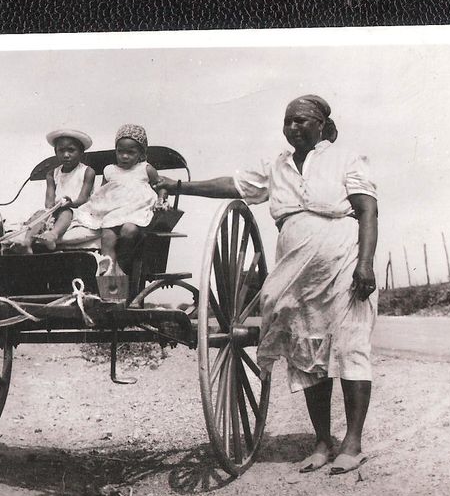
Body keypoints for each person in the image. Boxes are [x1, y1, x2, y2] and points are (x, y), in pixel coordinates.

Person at [156, 95, 378, 475]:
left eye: (303, 121)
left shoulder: (346, 159)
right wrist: (176, 185)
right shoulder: (278, 167)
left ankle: (352, 443)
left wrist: (366, 264)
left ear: (322, 125)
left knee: (350, 349)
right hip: (297, 275)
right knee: (307, 356)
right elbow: (232, 185)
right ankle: (323, 441)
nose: (294, 127)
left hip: (343, 268)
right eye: (288, 121)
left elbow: (367, 210)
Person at [75, 124, 164, 275]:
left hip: (135, 211)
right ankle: (108, 270)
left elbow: (162, 185)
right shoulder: (109, 170)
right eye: (120, 151)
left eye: (130, 152)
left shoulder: (145, 169)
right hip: (113, 212)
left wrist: (161, 199)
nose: (124, 156)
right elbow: (102, 193)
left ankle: (121, 265)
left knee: (129, 230)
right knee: (107, 235)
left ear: (141, 154)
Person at [7, 129, 96, 254]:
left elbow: (83, 198)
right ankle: (27, 242)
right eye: (61, 151)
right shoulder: (52, 174)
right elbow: (49, 202)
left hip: (77, 209)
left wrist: (69, 203)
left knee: (66, 212)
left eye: (71, 150)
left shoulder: (87, 172)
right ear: (55, 152)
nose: (66, 155)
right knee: (40, 214)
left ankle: (53, 235)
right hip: (56, 210)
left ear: (81, 153)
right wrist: (51, 209)